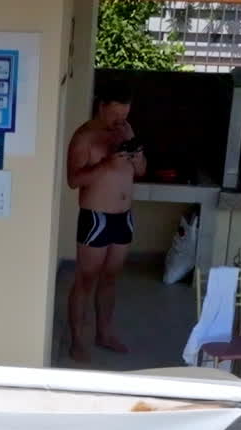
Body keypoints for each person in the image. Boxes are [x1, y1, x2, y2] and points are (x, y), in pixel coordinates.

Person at [66, 80, 146, 363]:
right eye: (115, 115)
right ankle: (77, 340)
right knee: (86, 280)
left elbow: (141, 170)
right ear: (101, 107)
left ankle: (104, 332)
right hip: (95, 217)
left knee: (111, 279)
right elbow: (73, 180)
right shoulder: (84, 137)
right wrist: (105, 165)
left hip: (123, 217)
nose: (120, 121)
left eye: (124, 115)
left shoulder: (126, 130)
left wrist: (136, 156)